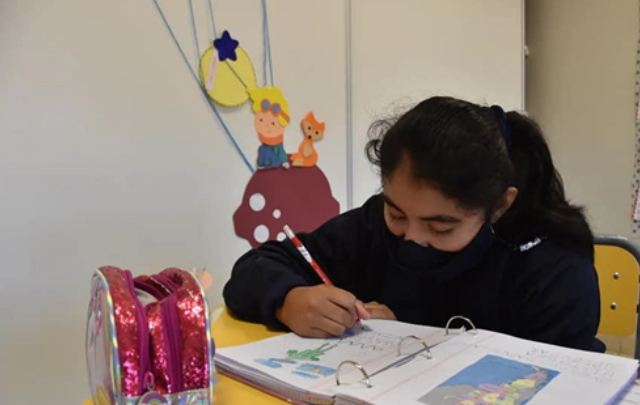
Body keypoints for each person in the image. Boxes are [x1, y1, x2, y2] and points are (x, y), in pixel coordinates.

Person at [223, 97, 604, 352]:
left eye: (441, 228)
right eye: (397, 214)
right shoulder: (375, 227)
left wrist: (416, 333)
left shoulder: (553, 266)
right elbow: (254, 269)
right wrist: (289, 300)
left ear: (500, 205)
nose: (412, 239)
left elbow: (567, 390)